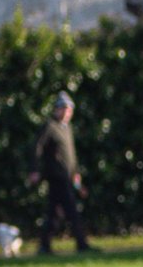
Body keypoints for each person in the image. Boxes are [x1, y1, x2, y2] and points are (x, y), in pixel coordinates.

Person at [28, 90, 94, 254]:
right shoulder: (50, 126)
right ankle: (81, 244)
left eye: (68, 109)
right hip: (56, 177)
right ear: (56, 110)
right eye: (62, 108)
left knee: (54, 214)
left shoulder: (67, 128)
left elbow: (71, 155)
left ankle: (44, 246)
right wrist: (35, 169)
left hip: (67, 177)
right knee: (71, 210)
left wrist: (76, 176)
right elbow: (37, 147)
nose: (66, 112)